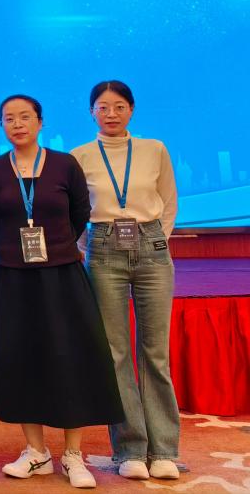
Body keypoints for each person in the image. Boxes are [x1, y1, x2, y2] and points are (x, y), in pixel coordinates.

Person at [0, 94, 123, 490]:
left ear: (40, 122)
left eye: (25, 117)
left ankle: (73, 454)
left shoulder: (64, 164)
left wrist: (57, 247)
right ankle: (36, 452)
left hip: (61, 275)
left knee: (69, 358)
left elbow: (80, 213)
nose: (17, 124)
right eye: (9, 118)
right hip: (12, 277)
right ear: (1, 125)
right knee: (20, 359)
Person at [71, 81, 181, 481]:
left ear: (131, 109)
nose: (111, 114)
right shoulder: (79, 156)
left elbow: (168, 201)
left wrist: (157, 240)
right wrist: (91, 246)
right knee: (115, 353)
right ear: (92, 112)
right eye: (103, 107)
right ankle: (130, 448)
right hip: (103, 250)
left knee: (155, 352)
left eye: (119, 106)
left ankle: (164, 449)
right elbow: (75, 211)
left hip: (152, 247)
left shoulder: (154, 149)